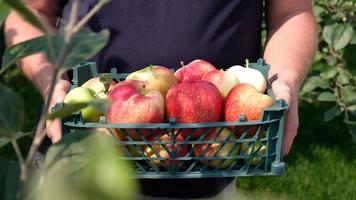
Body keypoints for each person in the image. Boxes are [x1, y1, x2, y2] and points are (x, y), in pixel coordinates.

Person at [4, 0, 317, 199]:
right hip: (81, 159)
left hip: (206, 166)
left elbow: (292, 12)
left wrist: (285, 82)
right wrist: (50, 82)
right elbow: (31, 9)